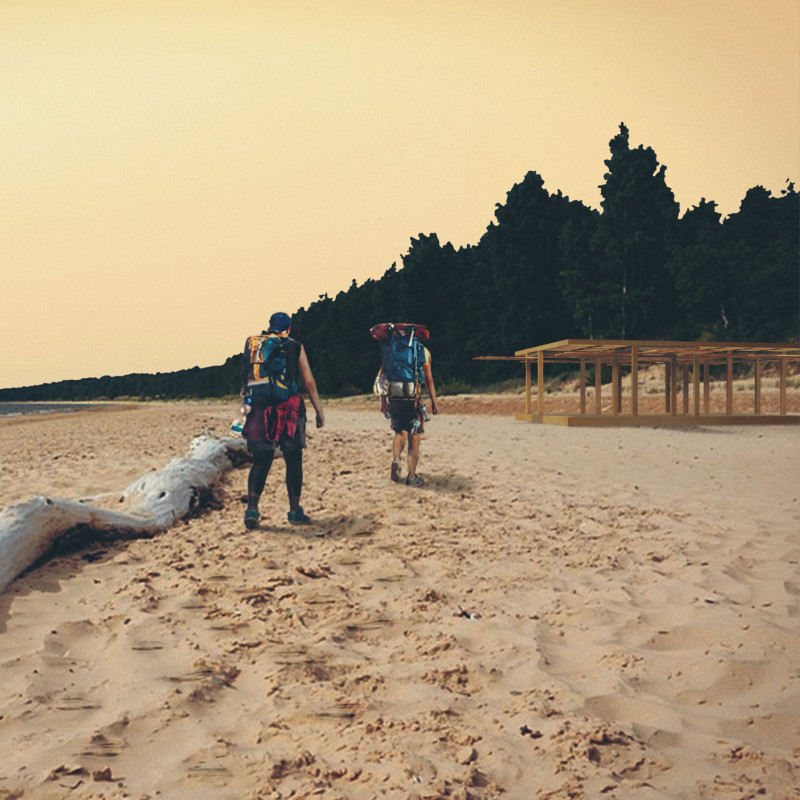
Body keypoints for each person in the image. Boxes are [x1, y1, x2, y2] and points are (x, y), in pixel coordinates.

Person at [240, 312, 324, 529]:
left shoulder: (253, 344)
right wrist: (319, 410)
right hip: (290, 407)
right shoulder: (295, 345)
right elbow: (309, 381)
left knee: (261, 460)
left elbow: (245, 378)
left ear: (269, 327)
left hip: (259, 407)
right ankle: (295, 511)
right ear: (288, 328)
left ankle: (252, 509)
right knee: (293, 460)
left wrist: (245, 411)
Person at [386, 337, 439, 487]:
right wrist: (434, 402)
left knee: (399, 433)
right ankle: (411, 477)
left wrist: (384, 402)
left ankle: (396, 459)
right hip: (413, 400)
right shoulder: (424, 351)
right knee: (414, 439)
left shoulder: (392, 351)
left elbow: (382, 378)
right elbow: (429, 380)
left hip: (395, 398)